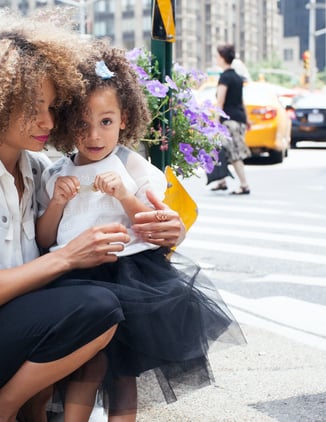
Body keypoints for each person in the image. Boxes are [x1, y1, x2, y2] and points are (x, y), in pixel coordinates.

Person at [0, 13, 188, 422]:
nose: (49, 123)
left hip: (20, 333)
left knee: (103, 307)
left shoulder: (38, 170)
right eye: (33, 109)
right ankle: (0, 410)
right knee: (96, 306)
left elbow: (118, 218)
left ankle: (26, 407)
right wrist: (68, 257)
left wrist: (171, 231)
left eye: (53, 108)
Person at [37, 43, 244, 421]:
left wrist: (125, 195)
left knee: (123, 370)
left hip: (130, 277)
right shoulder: (56, 174)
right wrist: (56, 204)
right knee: (86, 364)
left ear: (124, 119)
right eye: (82, 123)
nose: (94, 135)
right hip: (74, 280)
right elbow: (45, 239)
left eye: (105, 122)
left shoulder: (134, 167)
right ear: (67, 124)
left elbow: (153, 227)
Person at [210, 44, 252, 195]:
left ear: (222, 58)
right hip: (239, 119)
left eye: (217, 56)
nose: (216, 59)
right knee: (221, 150)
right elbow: (241, 101)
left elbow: (220, 102)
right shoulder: (237, 77)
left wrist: (215, 122)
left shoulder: (225, 77)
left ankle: (244, 184)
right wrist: (247, 120)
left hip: (229, 121)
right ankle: (222, 181)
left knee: (233, 153)